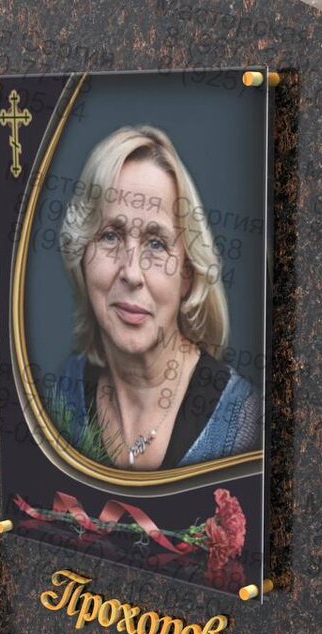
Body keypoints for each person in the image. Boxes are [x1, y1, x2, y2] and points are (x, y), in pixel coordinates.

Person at [50, 124, 261, 470]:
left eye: (156, 243)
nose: (132, 273)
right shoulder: (62, 396)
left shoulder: (244, 421)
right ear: (81, 253)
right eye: (110, 236)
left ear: (188, 274)